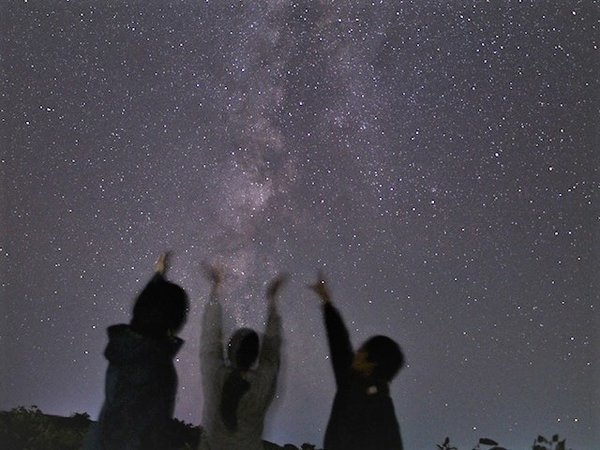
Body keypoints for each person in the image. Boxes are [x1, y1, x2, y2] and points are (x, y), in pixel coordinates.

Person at [84, 252, 189, 450]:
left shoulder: (127, 346)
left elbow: (152, 306)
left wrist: (159, 275)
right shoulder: (153, 367)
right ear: (173, 323)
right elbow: (132, 434)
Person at [308, 272, 405, 450]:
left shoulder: (377, 409)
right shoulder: (353, 381)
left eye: (362, 350)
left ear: (372, 363)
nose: (357, 352)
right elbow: (340, 343)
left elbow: (341, 347)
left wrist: (327, 302)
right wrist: (327, 303)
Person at [199, 265, 286, 450]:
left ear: (229, 352)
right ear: (256, 356)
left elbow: (210, 340)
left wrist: (216, 289)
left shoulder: (215, 376)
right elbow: (272, 351)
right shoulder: (263, 383)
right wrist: (272, 302)